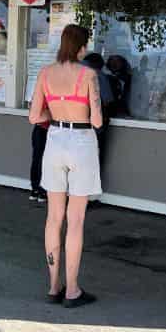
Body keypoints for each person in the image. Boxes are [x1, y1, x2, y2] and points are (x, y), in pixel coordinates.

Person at [28, 23, 102, 308]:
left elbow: (34, 116)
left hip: (55, 140)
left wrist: (56, 111)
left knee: (53, 218)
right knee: (77, 220)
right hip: (81, 141)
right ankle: (72, 290)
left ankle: (52, 285)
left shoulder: (45, 73)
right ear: (81, 47)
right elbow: (96, 120)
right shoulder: (88, 75)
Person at [82, 52, 117, 171]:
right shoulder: (99, 76)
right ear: (97, 64)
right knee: (93, 160)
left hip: (73, 126)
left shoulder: (72, 73)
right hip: (94, 126)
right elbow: (107, 101)